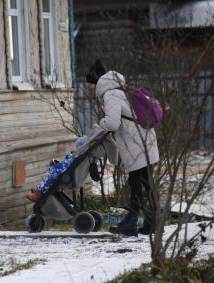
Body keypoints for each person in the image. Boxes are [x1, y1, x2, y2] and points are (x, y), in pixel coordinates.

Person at [86, 61, 160, 237]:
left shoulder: (110, 95)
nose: (89, 89)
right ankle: (153, 222)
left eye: (90, 85)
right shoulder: (122, 89)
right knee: (146, 183)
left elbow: (112, 122)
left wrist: (100, 124)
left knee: (136, 183)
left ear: (97, 83)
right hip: (146, 139)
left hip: (136, 144)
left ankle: (131, 222)